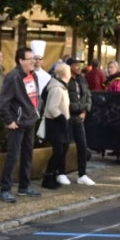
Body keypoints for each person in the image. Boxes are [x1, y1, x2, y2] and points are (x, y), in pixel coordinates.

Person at [0, 46, 42, 203]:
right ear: (21, 60)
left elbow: (35, 97)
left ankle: (24, 186)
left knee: (27, 155)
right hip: (17, 123)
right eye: (30, 59)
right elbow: (2, 101)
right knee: (13, 156)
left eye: (34, 58)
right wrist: (9, 121)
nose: (33, 61)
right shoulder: (13, 77)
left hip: (30, 121)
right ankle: (5, 190)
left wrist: (36, 113)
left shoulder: (33, 75)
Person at [41, 62, 72, 189]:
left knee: (62, 150)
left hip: (59, 123)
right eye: (69, 72)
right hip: (56, 124)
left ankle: (52, 176)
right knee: (58, 152)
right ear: (65, 74)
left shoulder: (62, 87)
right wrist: (62, 118)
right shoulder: (57, 89)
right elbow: (52, 108)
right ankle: (48, 178)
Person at [65, 57, 96, 185]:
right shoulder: (65, 79)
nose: (79, 67)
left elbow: (88, 96)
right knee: (64, 146)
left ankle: (82, 174)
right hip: (67, 117)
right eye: (76, 65)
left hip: (79, 116)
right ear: (69, 67)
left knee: (82, 146)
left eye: (80, 65)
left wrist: (85, 111)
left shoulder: (82, 79)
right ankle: (61, 173)